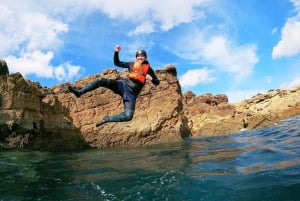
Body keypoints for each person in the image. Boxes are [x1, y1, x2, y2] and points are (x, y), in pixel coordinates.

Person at [68, 45, 160, 127]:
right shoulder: (131, 64)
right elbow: (117, 63)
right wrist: (116, 52)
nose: (140, 57)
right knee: (101, 80)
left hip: (132, 94)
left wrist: (151, 79)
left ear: (145, 57)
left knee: (128, 116)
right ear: (136, 58)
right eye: (138, 56)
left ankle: (108, 119)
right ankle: (79, 92)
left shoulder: (149, 70)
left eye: (142, 56)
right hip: (123, 85)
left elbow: (157, 82)